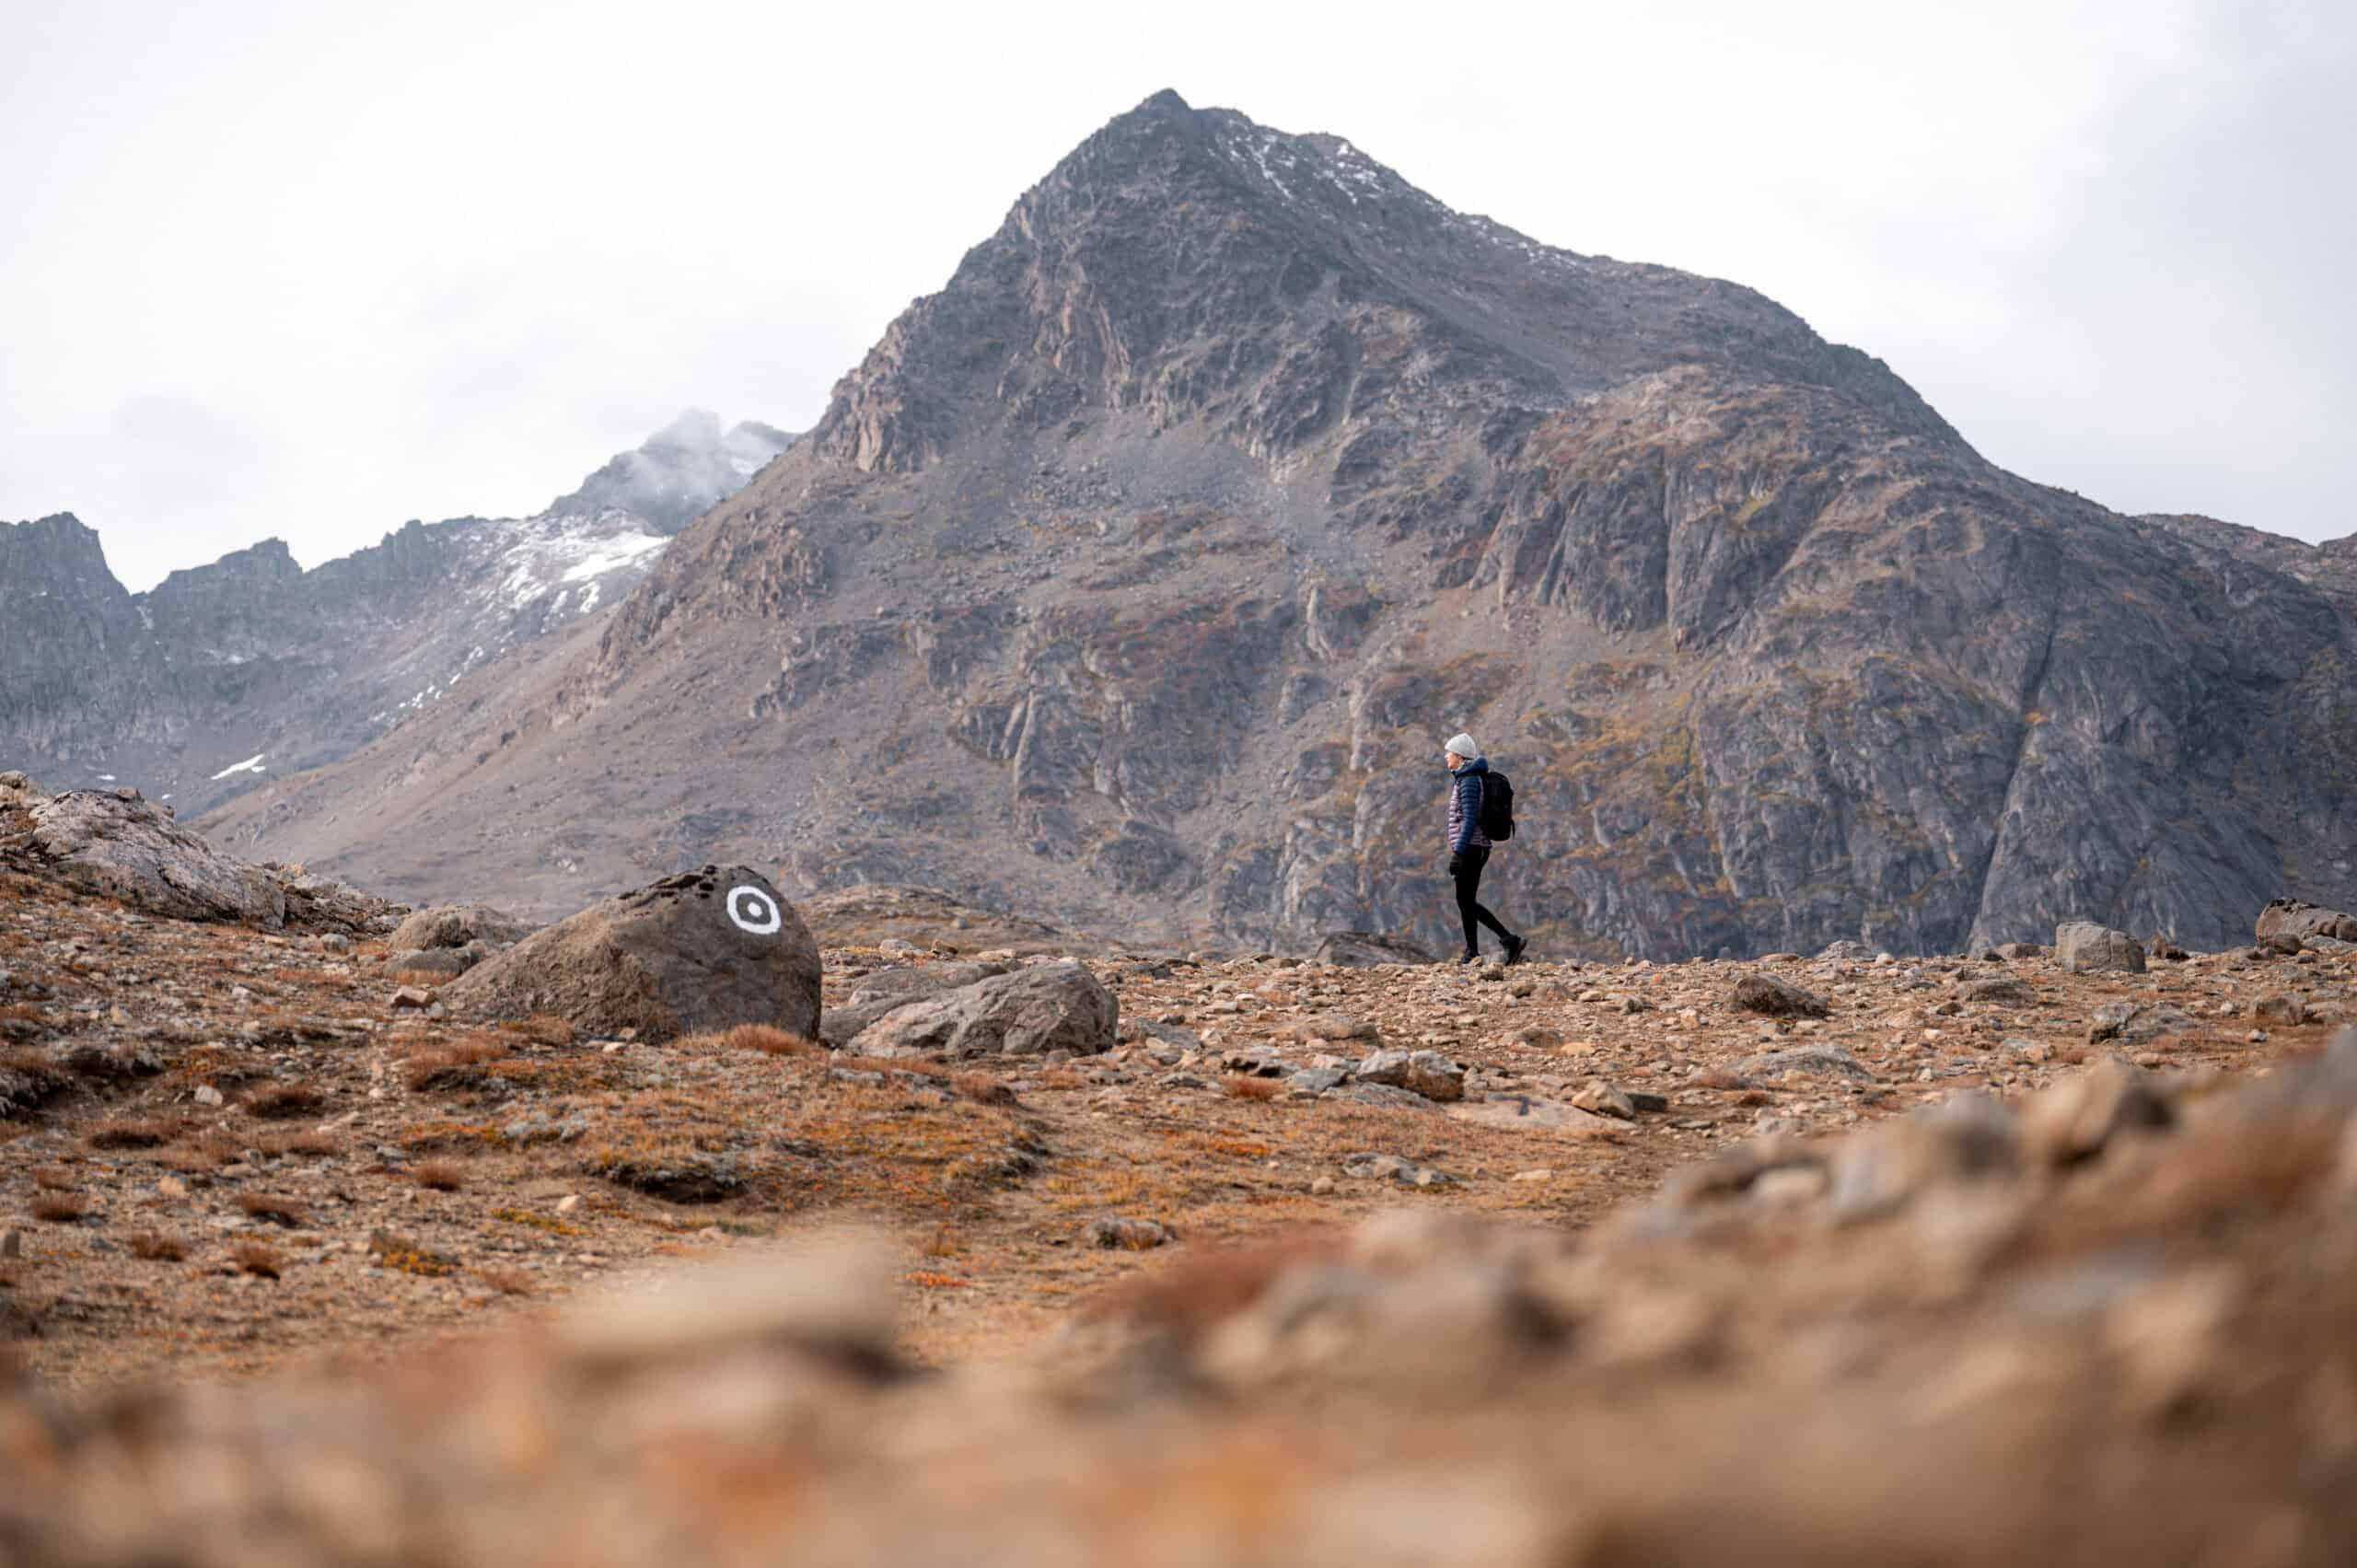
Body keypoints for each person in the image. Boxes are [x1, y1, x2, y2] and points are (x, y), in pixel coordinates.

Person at [1442, 733, 1527, 966]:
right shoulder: (1466, 777)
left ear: (1459, 755)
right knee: (1466, 900)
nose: (1446, 756)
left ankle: (1504, 941)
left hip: (1471, 847)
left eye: (1449, 752)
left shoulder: (1469, 780)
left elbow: (1469, 819)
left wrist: (1458, 852)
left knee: (1465, 900)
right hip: (1474, 846)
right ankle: (1479, 949)